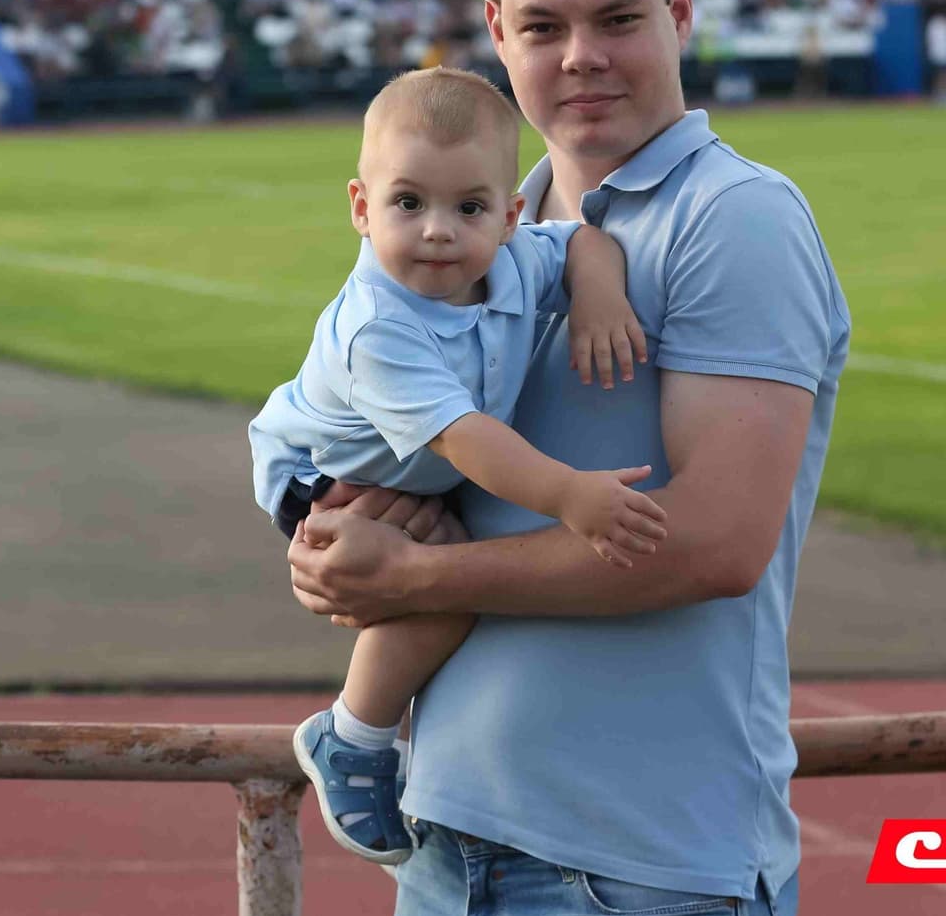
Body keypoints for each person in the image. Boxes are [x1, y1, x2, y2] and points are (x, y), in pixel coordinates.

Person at [285, 0, 849, 916]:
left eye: (618, 18)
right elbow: (408, 454)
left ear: (679, 10)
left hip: (638, 874)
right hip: (447, 846)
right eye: (544, 26)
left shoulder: (733, 216)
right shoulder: (487, 223)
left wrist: (415, 575)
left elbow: (714, 544)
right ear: (497, 32)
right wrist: (340, 536)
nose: (581, 55)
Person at [250, 66, 665, 864]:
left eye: (468, 208)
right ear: (361, 208)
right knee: (442, 578)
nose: (438, 231)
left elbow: (583, 240)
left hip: (415, 464)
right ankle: (354, 734)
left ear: (510, 217)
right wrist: (570, 496)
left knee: (452, 569)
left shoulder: (509, 263)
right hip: (324, 468)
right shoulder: (378, 326)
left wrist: (599, 297)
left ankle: (377, 733)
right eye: (408, 203)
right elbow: (468, 439)